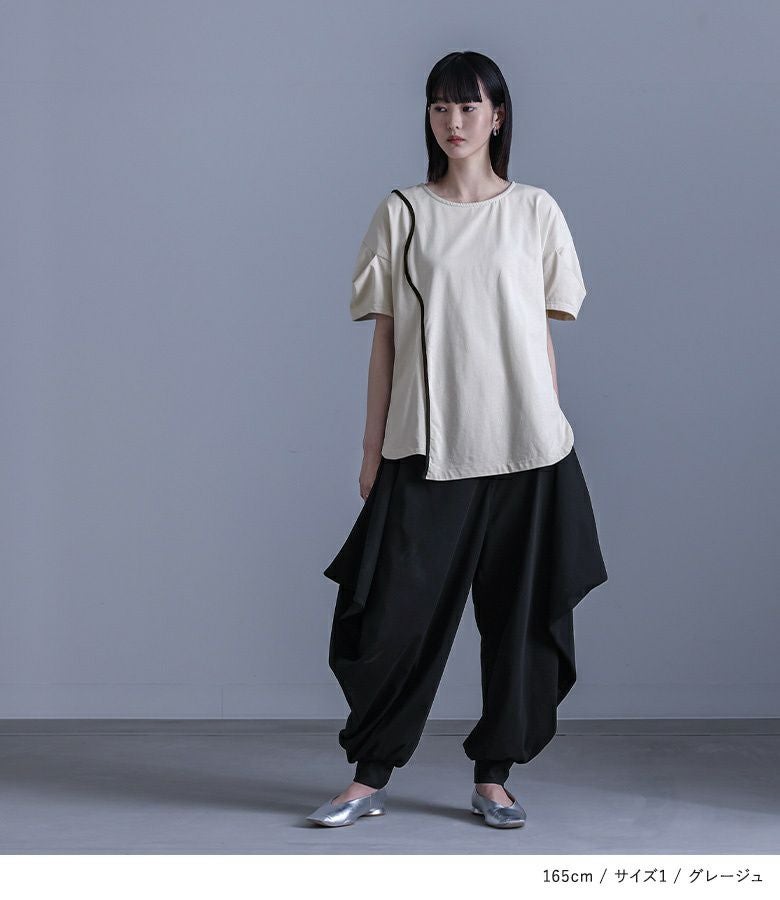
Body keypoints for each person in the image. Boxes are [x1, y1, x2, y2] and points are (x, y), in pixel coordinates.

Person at [307, 51, 608, 829]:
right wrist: (371, 450)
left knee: (518, 618)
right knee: (392, 619)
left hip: (528, 448)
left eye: (470, 106)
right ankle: (369, 777)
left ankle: (494, 778)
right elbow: (385, 341)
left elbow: (539, 335)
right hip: (426, 445)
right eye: (440, 106)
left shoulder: (535, 211)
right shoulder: (402, 213)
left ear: (497, 116)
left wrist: (553, 426)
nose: (454, 121)